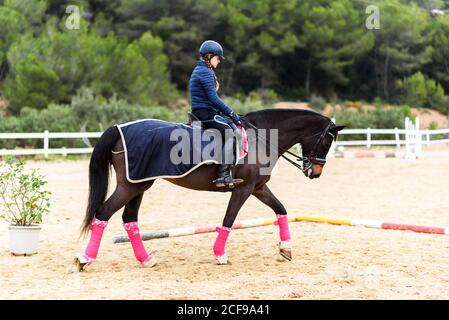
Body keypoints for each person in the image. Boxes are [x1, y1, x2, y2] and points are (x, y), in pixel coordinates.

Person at [189, 40, 244, 188]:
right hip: (204, 113)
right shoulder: (205, 72)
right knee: (230, 135)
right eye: (218, 58)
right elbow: (213, 98)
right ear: (209, 56)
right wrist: (231, 113)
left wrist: (226, 114)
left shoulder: (203, 70)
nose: (219, 61)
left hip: (206, 110)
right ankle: (223, 175)